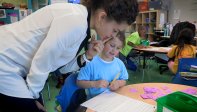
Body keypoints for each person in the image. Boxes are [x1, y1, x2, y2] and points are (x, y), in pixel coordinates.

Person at [0, 0, 138, 112]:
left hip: (17, 67)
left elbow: (61, 68)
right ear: (102, 17)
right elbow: (43, 60)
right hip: (5, 61)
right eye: (115, 30)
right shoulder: (75, 21)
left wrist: (88, 55)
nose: (113, 36)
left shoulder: (83, 25)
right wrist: (33, 97)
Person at [77, 31, 128, 100]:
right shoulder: (90, 62)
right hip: (95, 101)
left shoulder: (119, 63)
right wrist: (94, 84)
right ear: (103, 42)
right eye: (112, 45)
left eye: (118, 48)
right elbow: (79, 83)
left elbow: (124, 80)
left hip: (114, 99)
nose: (114, 50)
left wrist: (118, 83)